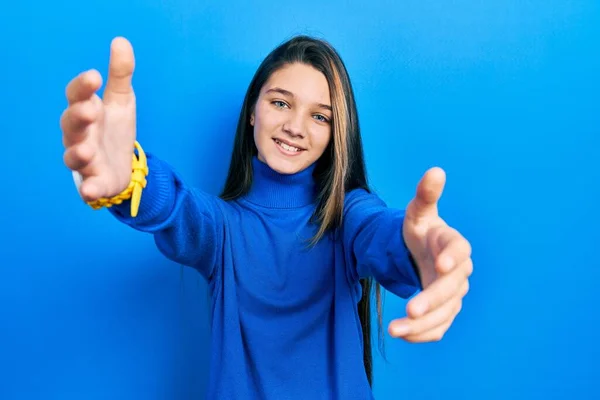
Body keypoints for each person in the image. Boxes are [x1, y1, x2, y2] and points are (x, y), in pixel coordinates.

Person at [60, 35, 473, 399]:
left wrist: (424, 251)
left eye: (320, 116)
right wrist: (129, 181)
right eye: (280, 103)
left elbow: (383, 235)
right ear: (253, 111)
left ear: (335, 134)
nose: (295, 126)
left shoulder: (348, 215)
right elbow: (177, 208)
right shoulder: (221, 229)